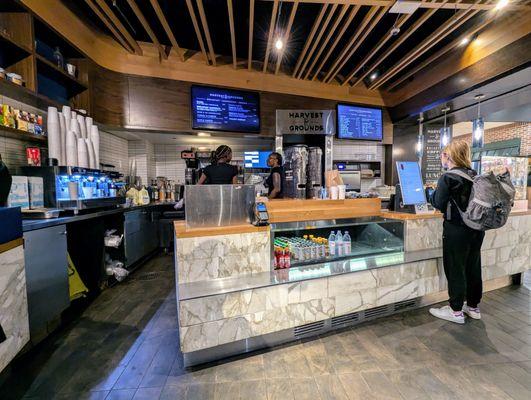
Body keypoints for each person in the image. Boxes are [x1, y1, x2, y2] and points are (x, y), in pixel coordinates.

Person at [426, 139, 484, 324]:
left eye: (443, 154)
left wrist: (430, 193)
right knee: (473, 266)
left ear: (448, 156)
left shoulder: (448, 177)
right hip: (477, 229)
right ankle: (473, 307)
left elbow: (438, 203)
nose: (442, 157)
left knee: (455, 267)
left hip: (456, 229)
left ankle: (456, 310)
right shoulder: (474, 175)